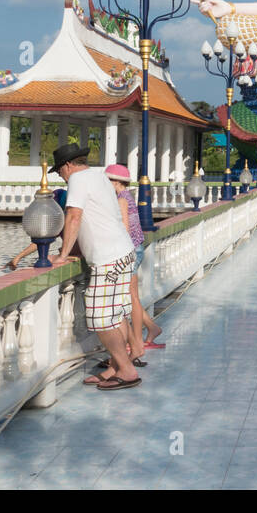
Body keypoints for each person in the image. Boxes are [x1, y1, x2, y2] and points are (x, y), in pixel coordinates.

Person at [49, 143, 141, 390]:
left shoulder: (78, 180)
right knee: (115, 315)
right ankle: (116, 367)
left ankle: (128, 370)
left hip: (108, 257)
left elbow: (74, 216)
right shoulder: (99, 176)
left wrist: (62, 255)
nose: (61, 176)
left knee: (100, 319)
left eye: (59, 172)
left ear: (68, 165)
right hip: (123, 252)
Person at [106, 164, 164, 357]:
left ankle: (137, 340)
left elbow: (125, 229)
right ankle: (150, 329)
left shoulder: (122, 199)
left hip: (130, 250)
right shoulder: (127, 197)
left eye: (108, 181)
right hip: (135, 248)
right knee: (132, 296)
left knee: (131, 298)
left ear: (115, 182)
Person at [6, 188, 76, 269]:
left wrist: (64, 252)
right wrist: (18, 257)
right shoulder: (59, 222)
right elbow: (41, 241)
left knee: (48, 258)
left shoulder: (71, 219)